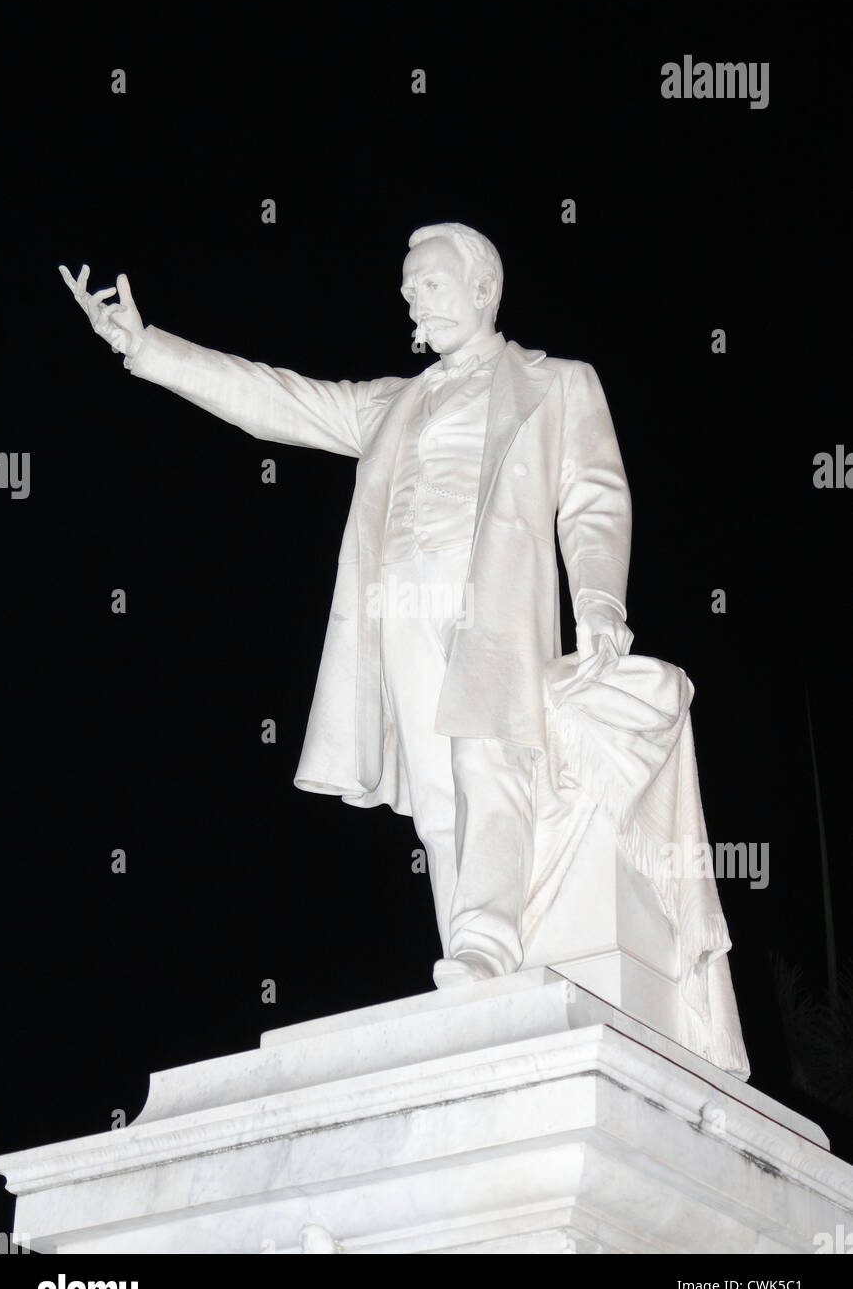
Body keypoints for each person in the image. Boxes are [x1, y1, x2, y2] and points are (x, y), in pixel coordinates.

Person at [59, 222, 633, 989]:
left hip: (490, 602)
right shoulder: (390, 403)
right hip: (399, 601)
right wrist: (145, 344)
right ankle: (474, 960)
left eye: (428, 284)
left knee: (486, 757)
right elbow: (274, 399)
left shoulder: (558, 382)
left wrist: (599, 602)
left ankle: (485, 940)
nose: (412, 300)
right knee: (437, 796)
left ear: (483, 288)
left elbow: (595, 498)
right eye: (407, 289)